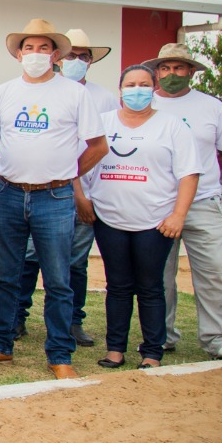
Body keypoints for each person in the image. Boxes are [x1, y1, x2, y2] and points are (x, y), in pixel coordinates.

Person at [0, 19, 107, 380]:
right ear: (18, 54)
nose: (35, 54)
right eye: (28, 48)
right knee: (6, 276)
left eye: (43, 48)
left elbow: (98, 145)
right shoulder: (2, 93)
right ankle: (0, 344)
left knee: (58, 279)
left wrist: (69, 172)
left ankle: (60, 354)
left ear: (55, 54)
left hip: (55, 196)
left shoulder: (75, 94)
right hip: (10, 192)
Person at [86, 65, 201, 370]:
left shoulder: (172, 126)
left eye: (144, 84)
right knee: (118, 285)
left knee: (151, 286)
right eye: (131, 84)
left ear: (153, 89)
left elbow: (189, 173)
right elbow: (79, 164)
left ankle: (152, 352)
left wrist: (179, 215)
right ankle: (115, 350)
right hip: (109, 218)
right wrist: (82, 199)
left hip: (155, 221)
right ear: (120, 89)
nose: (137, 90)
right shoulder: (102, 122)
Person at [14, 28, 118, 346]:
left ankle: (73, 322)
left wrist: (79, 188)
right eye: (71, 55)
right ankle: (19, 317)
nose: (76, 60)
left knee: (74, 262)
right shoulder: (34, 92)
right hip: (45, 191)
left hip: (83, 192)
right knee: (29, 257)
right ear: (61, 58)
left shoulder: (102, 99)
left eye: (82, 56)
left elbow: (99, 147)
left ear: (90, 61)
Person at [146, 43, 222, 362]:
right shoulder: (144, 104)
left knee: (212, 271)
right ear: (157, 72)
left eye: (179, 68)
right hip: (158, 204)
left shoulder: (212, 107)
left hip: (202, 201)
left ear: (191, 71)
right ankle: (161, 335)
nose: (171, 74)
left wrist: (199, 171)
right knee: (159, 275)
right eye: (165, 68)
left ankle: (219, 338)